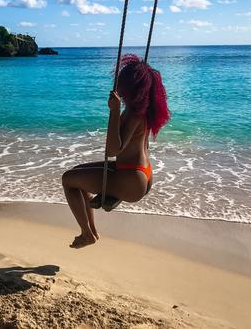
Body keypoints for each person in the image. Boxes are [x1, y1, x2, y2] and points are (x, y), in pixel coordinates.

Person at [61, 54, 170, 249]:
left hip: (131, 179)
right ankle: (91, 232)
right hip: (141, 173)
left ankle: (87, 233)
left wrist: (114, 111)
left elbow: (112, 150)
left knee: (68, 180)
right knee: (77, 174)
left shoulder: (133, 114)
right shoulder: (141, 110)